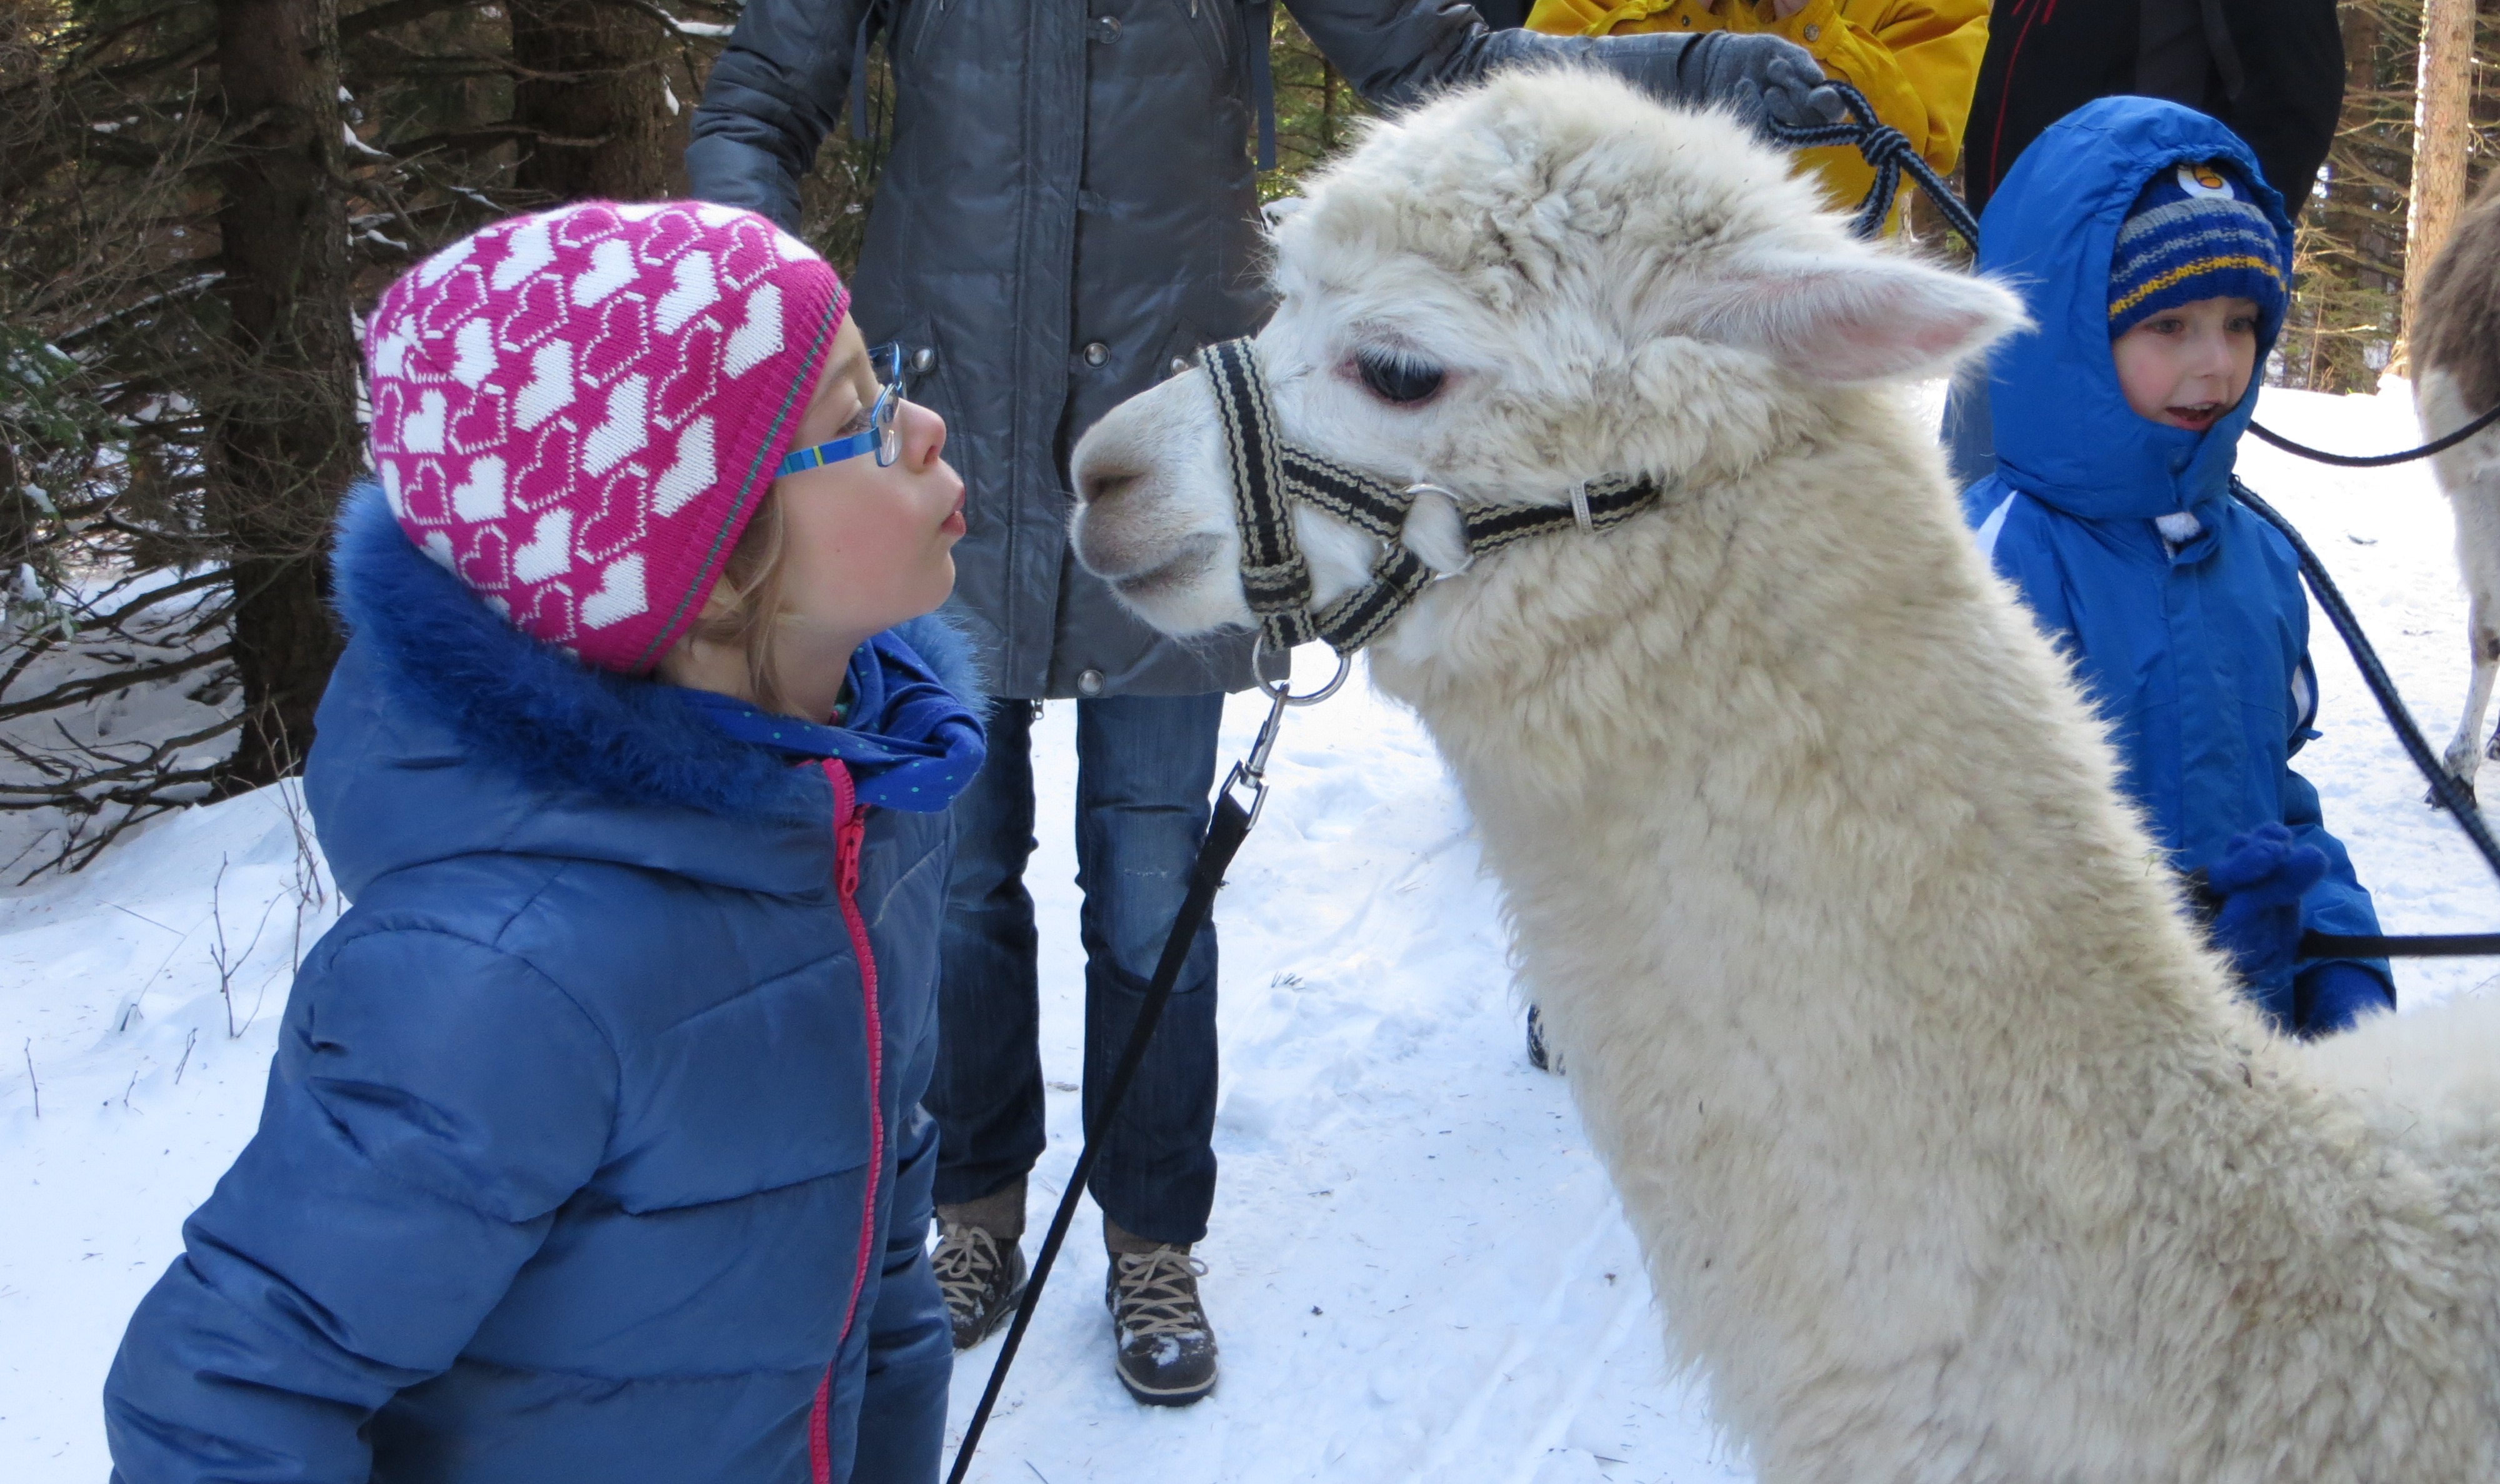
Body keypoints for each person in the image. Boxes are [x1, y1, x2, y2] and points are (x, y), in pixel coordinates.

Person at [688, 1, 1841, 1407]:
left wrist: (1687, 76)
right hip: (941, 458)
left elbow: (1439, 63)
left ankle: (1152, 1235)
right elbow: (757, 101)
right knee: (962, 874)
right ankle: (973, 1203)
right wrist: (783, 351)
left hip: (1181, 471)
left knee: (1151, 881)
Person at [101, 200, 986, 1484]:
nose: (921, 429)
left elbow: (877, 1245)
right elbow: (227, 1392)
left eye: (887, 380)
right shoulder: (505, 976)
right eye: (853, 415)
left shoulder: (859, 810)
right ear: (708, 557)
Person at [1961, 97, 2394, 1040]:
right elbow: (1952, 861)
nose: (2218, 365)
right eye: (2169, 324)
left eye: (2241, 322)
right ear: (2066, 334)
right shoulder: (1995, 565)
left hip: (2249, 1063)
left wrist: (2334, 953)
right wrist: (2173, 947)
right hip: (2060, 1086)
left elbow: (2279, 803)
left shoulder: (2258, 560)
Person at [1942, 0, 2343, 488]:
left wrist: (2206, 261)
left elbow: (2294, 97)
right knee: (1973, 517)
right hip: (2012, 268)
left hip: (2138, 305)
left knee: (2108, 530)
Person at [1520, 0, 1990, 231]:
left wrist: (1808, 18)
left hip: (1817, 308)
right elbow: (1533, 106)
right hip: (1622, 293)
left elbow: (1907, 156)